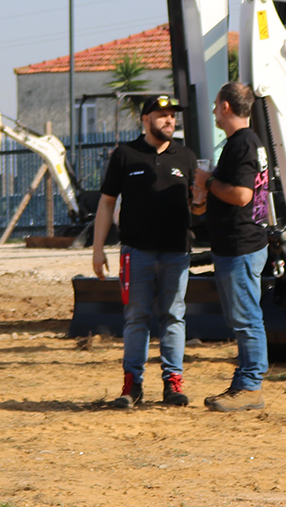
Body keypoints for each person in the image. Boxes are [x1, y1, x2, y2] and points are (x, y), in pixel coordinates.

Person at [93, 93, 197, 409]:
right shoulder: (125, 155)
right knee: (136, 318)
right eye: (162, 114)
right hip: (136, 252)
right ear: (146, 119)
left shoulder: (186, 157)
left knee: (173, 317)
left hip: (177, 254)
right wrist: (98, 249)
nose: (169, 120)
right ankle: (132, 386)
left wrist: (203, 201)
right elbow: (106, 203)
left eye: (173, 115)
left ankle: (172, 383)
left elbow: (197, 205)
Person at [193, 81, 271, 412]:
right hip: (238, 244)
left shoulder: (242, 144)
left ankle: (250, 387)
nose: (213, 111)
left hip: (241, 246)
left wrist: (208, 181)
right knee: (242, 317)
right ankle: (245, 383)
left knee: (246, 318)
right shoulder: (245, 142)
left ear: (226, 107)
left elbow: (241, 195)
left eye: (216, 105)